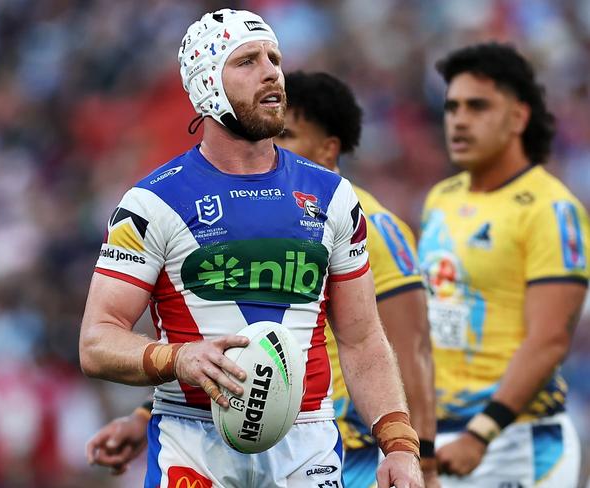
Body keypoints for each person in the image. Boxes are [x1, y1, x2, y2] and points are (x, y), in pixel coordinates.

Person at [79, 9, 423, 488]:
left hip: (308, 448)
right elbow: (96, 341)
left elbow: (362, 340)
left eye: (274, 58)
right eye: (247, 61)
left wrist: (401, 446)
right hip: (193, 447)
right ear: (206, 86)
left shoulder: (335, 198)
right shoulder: (151, 203)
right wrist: (176, 359)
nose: (271, 71)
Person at [418, 42, 589, 487]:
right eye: (452, 106)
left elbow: (551, 339)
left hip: (513, 441)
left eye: (478, 106)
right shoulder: (441, 198)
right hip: (445, 439)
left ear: (518, 117)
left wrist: (482, 433)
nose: (458, 119)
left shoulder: (551, 209)